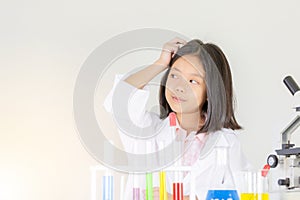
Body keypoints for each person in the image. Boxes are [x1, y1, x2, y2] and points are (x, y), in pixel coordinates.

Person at [104, 38, 252, 200]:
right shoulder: (146, 131)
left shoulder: (226, 142)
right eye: (175, 75)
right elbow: (119, 100)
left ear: (210, 92)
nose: (180, 87)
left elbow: (243, 193)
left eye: (193, 81)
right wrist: (160, 64)